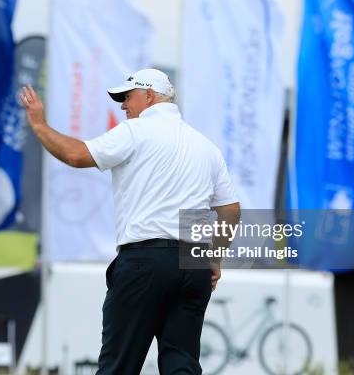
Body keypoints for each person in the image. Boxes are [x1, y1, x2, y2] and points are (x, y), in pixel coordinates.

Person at [19, 68, 241, 374]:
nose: (123, 105)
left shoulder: (134, 132)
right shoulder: (206, 146)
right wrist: (214, 257)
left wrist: (39, 125)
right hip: (194, 264)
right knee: (182, 366)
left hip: (145, 260)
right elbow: (230, 209)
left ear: (149, 95)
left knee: (118, 366)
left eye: (127, 97)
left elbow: (76, 155)